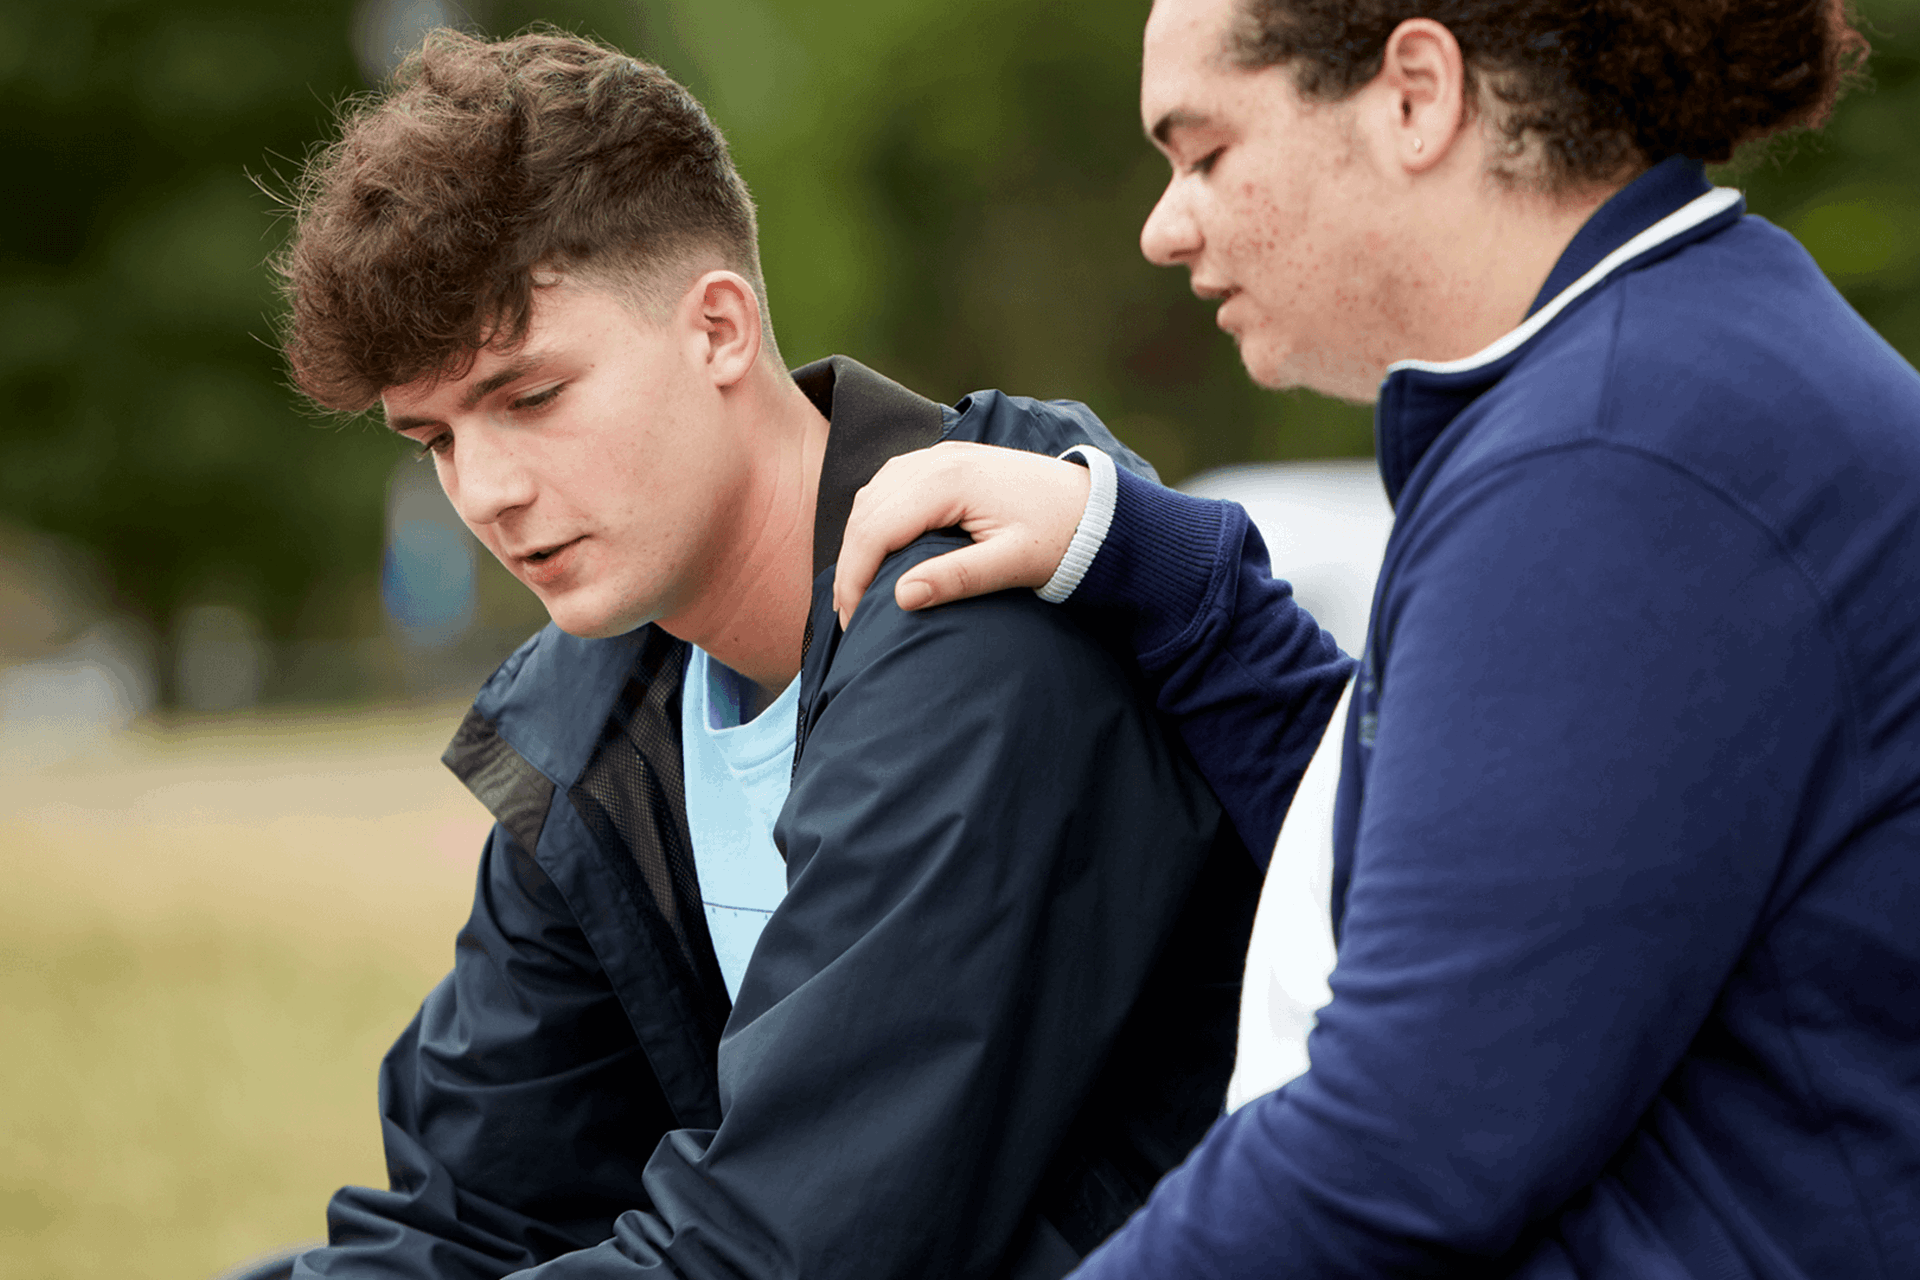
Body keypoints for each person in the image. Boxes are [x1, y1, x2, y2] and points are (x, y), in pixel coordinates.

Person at [833, 0, 1920, 1277]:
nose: (1163, 224)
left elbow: (1397, 1147)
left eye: (1206, 151)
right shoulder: (1651, 378)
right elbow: (1465, 877)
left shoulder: (1616, 457)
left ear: (1414, 94)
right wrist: (1145, 559)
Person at [272, 28, 1354, 1280]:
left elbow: (776, 1251)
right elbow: (467, 1217)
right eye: (433, 440)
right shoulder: (587, 717)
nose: (488, 491)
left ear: (720, 328)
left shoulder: (980, 623)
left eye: (529, 396)